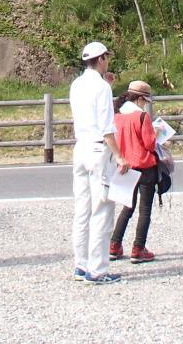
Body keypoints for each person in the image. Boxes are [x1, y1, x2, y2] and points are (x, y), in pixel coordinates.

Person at [70, 41, 130, 285]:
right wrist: (118, 155)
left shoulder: (77, 84)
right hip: (98, 149)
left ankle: (80, 264)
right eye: (107, 56)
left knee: (82, 208)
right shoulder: (102, 88)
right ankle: (98, 270)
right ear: (102, 59)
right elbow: (106, 126)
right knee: (102, 210)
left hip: (81, 146)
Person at [109, 80, 160, 263]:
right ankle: (138, 248)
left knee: (127, 206)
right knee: (144, 209)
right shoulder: (141, 116)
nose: (145, 104)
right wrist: (158, 133)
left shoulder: (117, 115)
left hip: (125, 165)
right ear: (140, 99)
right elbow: (150, 143)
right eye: (145, 101)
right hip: (144, 166)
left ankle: (114, 245)